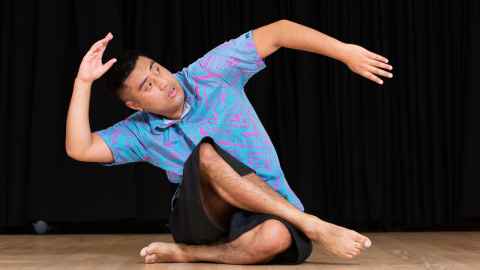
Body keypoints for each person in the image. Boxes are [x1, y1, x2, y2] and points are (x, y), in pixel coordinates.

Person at [65, 19, 393, 265]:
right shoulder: (140, 131)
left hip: (265, 207)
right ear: (135, 105)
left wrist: (345, 52)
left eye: (158, 69)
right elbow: (80, 148)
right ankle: (314, 225)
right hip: (204, 217)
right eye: (148, 86)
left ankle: (190, 254)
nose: (164, 82)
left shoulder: (210, 74)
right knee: (206, 154)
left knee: (276, 237)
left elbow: (279, 31)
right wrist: (82, 81)